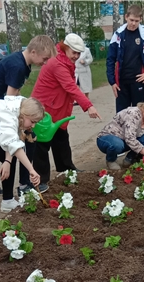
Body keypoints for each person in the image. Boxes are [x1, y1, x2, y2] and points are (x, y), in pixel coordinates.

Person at [0, 35, 56, 197]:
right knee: (25, 139)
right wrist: (23, 123)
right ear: (33, 52)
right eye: (45, 58)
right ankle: (24, 184)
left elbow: (16, 94)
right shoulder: (18, 66)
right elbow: (10, 101)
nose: (45, 62)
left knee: (20, 140)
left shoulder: (23, 63)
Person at [31, 33, 101, 191]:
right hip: (43, 111)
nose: (76, 56)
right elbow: (70, 87)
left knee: (61, 139)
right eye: (73, 52)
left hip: (56, 108)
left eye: (78, 53)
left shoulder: (65, 60)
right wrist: (88, 105)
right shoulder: (57, 63)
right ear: (65, 48)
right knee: (42, 144)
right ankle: (40, 180)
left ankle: (67, 169)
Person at [106, 4, 144, 114]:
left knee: (138, 115)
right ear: (126, 17)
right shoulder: (118, 35)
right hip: (121, 82)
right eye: (131, 20)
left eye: (136, 21)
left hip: (138, 82)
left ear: (141, 20)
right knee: (121, 116)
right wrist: (112, 82)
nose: (133, 23)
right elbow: (110, 59)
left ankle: (138, 132)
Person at [97, 95, 144, 170]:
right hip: (107, 138)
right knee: (117, 144)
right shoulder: (133, 113)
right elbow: (129, 138)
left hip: (124, 141)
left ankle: (129, 159)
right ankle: (111, 160)